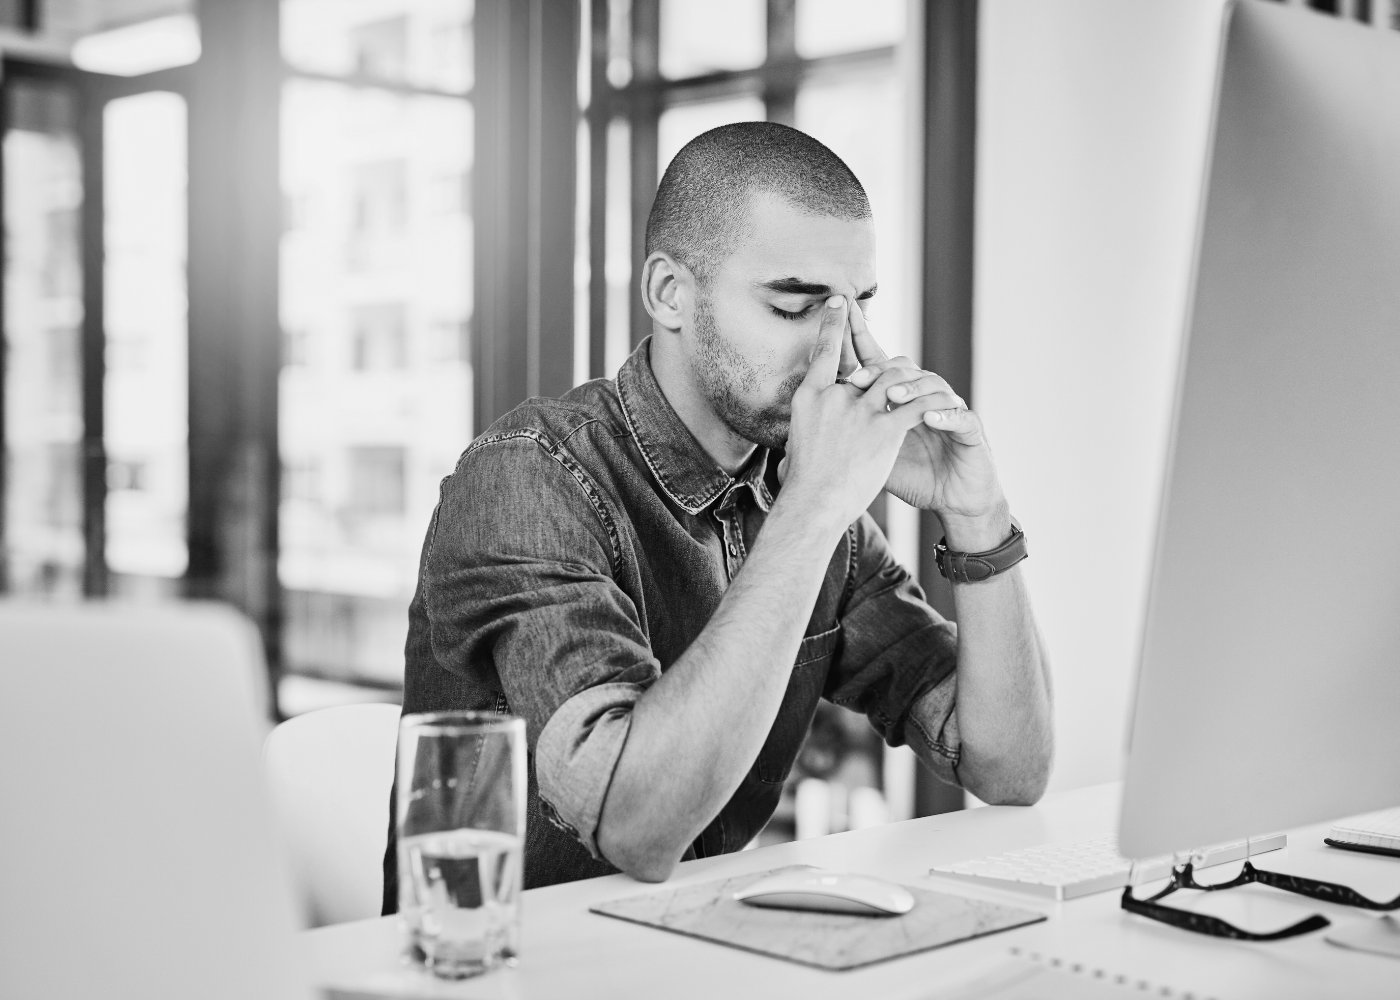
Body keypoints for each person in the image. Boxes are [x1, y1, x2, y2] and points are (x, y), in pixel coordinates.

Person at [384, 122, 1052, 901]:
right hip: (514, 972)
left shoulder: (802, 497)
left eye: (856, 306)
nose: (841, 353)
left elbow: (1010, 768)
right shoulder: (527, 478)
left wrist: (978, 515)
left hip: (702, 955)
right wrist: (811, 510)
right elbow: (636, 826)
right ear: (670, 293)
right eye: (794, 305)